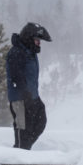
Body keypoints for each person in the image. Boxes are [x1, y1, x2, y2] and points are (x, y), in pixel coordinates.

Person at [6, 22, 52, 150]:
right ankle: (19, 156)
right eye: (37, 40)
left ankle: (23, 149)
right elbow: (15, 76)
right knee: (23, 131)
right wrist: (24, 93)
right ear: (29, 38)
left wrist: (33, 96)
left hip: (32, 96)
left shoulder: (30, 52)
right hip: (20, 100)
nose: (39, 43)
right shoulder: (16, 52)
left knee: (40, 123)